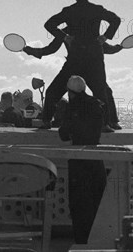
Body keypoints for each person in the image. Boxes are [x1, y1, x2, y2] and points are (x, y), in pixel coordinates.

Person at [42, 0, 121, 132]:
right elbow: (116, 19)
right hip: (94, 57)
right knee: (100, 91)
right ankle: (105, 124)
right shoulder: (97, 9)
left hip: (76, 57)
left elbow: (49, 24)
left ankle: (46, 120)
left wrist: (65, 37)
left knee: (53, 90)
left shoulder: (69, 11)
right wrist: (105, 37)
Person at [23, 26, 123, 129]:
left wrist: (30, 50)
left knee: (52, 92)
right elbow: (51, 48)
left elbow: (51, 48)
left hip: (76, 66)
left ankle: (46, 121)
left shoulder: (66, 32)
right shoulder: (75, 31)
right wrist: (118, 47)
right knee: (105, 92)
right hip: (86, 67)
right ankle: (111, 122)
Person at [59, 75, 107, 244]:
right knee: (97, 202)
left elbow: (63, 134)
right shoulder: (96, 104)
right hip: (96, 160)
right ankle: (98, 241)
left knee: (79, 206)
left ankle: (82, 242)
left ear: (70, 92)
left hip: (78, 162)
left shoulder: (72, 107)